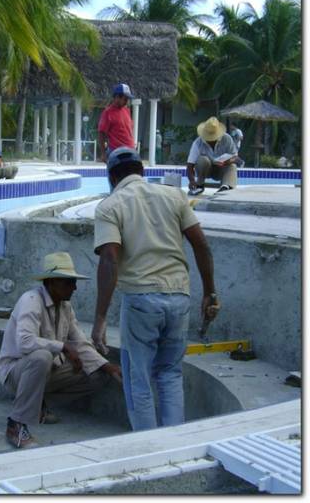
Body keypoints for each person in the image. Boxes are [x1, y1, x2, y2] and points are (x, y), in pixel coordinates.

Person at [91, 147, 220, 431]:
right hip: (179, 297)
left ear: (112, 178)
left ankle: (146, 449)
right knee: (170, 375)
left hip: (141, 299)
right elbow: (201, 245)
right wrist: (209, 291)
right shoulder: (174, 196)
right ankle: (174, 446)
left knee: (138, 379)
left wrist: (100, 319)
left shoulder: (110, 206)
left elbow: (110, 258)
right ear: (142, 171)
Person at [0, 252, 121, 448]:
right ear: (52, 282)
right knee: (42, 356)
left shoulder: (66, 307)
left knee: (98, 375)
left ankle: (38, 406)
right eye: (68, 282)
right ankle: (16, 425)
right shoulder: (31, 300)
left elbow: (80, 343)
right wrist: (62, 346)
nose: (74, 287)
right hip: (17, 372)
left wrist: (108, 367)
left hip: (47, 371)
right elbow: (25, 343)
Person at [186, 116, 239, 195]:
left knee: (233, 166)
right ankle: (200, 184)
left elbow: (235, 157)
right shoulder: (198, 142)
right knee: (203, 160)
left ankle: (226, 187)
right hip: (205, 171)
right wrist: (192, 181)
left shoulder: (227, 139)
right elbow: (190, 165)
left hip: (222, 169)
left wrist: (227, 162)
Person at [98, 83, 136, 164]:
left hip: (130, 151)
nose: (126, 101)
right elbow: (101, 134)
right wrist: (103, 154)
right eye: (125, 99)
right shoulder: (107, 113)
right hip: (116, 152)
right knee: (117, 176)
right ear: (117, 97)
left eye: (127, 99)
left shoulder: (127, 111)